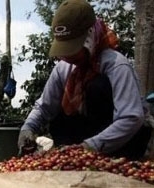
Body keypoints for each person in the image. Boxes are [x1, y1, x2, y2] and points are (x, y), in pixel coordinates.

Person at [17, 0, 151, 160]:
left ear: (90, 37)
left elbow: (131, 117)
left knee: (97, 86)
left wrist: (90, 147)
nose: (68, 56)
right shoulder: (63, 68)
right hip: (84, 141)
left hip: (124, 143)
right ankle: (72, 156)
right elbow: (44, 107)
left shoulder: (116, 65)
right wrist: (28, 128)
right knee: (59, 115)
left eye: (74, 48)